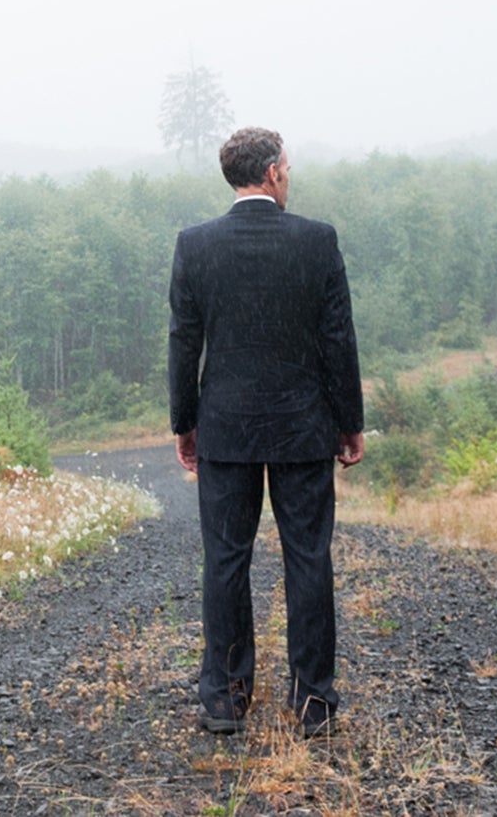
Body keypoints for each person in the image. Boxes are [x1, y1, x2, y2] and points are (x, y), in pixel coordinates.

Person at [168, 126, 365, 737]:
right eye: (289, 167)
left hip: (225, 428)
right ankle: (313, 703)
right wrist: (349, 421)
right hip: (303, 429)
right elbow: (337, 340)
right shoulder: (316, 241)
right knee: (308, 558)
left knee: (225, 560)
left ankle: (226, 700)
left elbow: (184, 343)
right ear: (274, 172)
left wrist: (185, 422)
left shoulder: (195, 245)